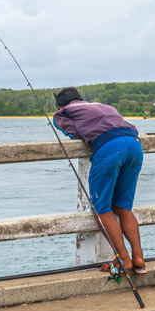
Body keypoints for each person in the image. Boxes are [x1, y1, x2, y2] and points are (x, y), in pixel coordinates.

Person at [52, 87, 146, 275]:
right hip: (134, 145)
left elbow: (72, 133)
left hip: (110, 149)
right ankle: (138, 257)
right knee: (122, 207)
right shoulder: (104, 106)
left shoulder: (64, 112)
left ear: (60, 105)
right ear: (80, 98)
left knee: (101, 209)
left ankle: (123, 259)